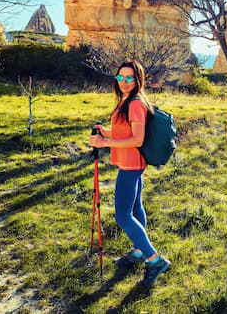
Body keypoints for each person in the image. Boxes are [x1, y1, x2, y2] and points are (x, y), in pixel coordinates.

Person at [89, 60, 170, 288]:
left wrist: (105, 141)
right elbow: (126, 131)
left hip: (131, 165)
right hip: (133, 163)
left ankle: (155, 260)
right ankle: (137, 252)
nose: (124, 82)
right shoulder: (127, 100)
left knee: (123, 216)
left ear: (137, 80)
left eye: (129, 78)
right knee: (136, 209)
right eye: (120, 77)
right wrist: (107, 131)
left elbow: (138, 139)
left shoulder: (135, 103)